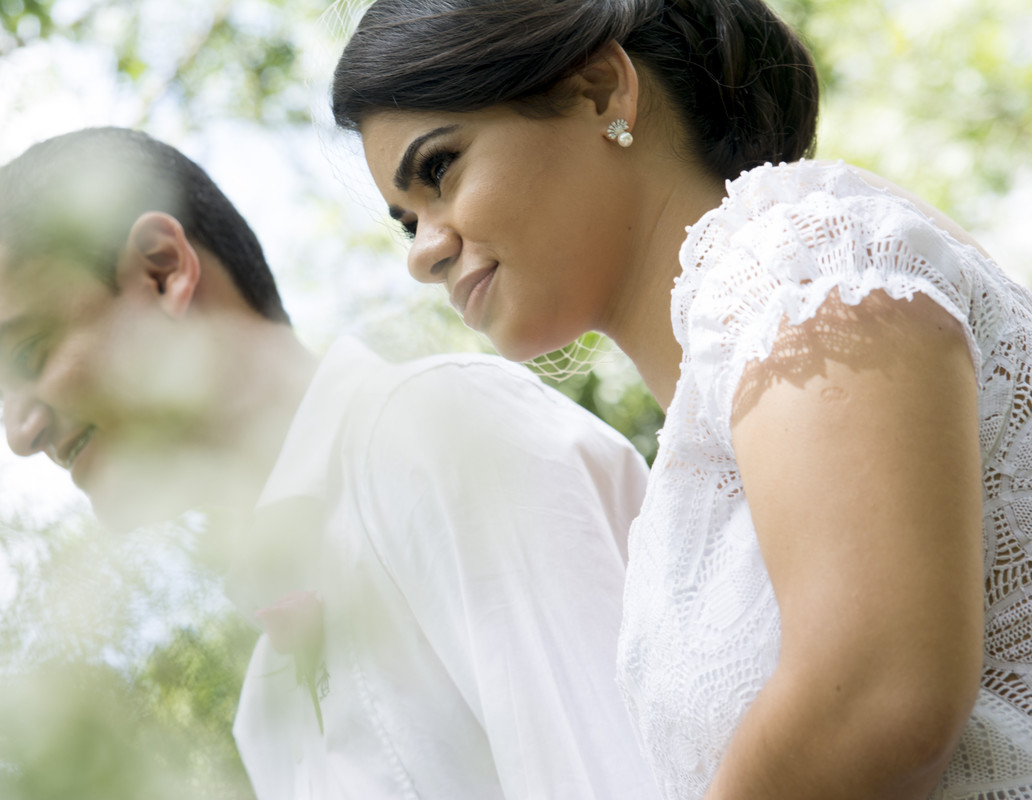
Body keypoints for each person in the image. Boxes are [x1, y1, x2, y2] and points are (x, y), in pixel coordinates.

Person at [331, 1, 1032, 798]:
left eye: (440, 170)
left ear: (601, 90)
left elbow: (875, 697)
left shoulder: (799, 258)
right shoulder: (690, 456)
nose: (424, 253)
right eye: (405, 222)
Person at [0, 126, 663, 799]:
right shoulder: (267, 708)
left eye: (29, 355)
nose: (18, 433)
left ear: (161, 272)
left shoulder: (438, 436)